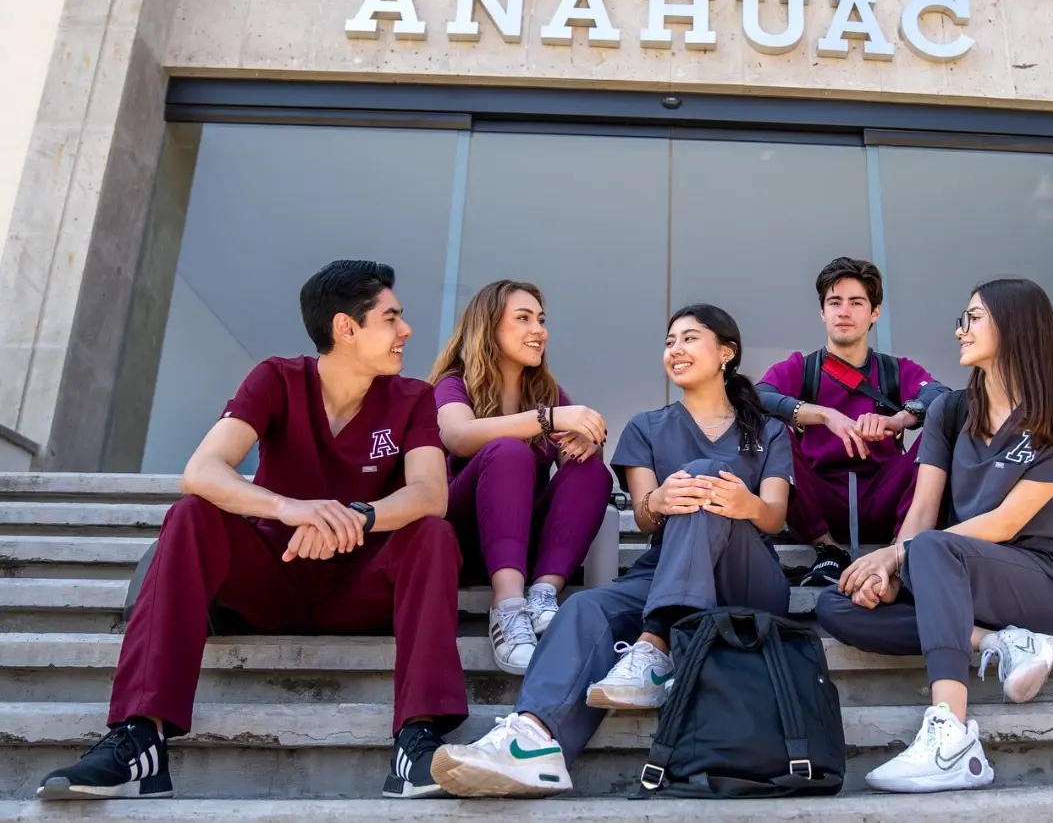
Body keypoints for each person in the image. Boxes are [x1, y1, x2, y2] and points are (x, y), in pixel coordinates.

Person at [36, 261, 468, 801]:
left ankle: (417, 741)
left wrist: (355, 516)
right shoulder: (277, 379)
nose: (406, 331)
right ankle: (139, 739)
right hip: (276, 578)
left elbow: (431, 492)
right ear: (346, 328)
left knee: (433, 534)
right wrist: (292, 509)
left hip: (364, 586)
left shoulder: (411, 398)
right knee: (191, 513)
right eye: (392, 318)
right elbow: (203, 470)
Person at [428, 304, 794, 798]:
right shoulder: (646, 427)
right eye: (669, 342)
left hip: (748, 575)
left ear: (726, 353)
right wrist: (660, 500)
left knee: (703, 473)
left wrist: (745, 503)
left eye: (689, 339)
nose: (676, 350)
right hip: (667, 567)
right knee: (583, 606)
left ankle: (654, 644)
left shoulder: (766, 430)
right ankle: (534, 741)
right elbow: (644, 516)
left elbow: (774, 515)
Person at [816, 277, 1053, 794]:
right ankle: (999, 643)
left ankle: (951, 736)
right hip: (951, 576)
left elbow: (1006, 523)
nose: (959, 330)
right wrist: (892, 567)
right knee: (837, 605)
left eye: (972, 318)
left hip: (1035, 576)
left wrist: (900, 557)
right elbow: (922, 511)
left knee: (930, 548)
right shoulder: (950, 411)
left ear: (1013, 327)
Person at [429, 280, 613, 675]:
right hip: (467, 539)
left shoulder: (546, 390)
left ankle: (544, 595)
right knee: (509, 450)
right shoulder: (454, 384)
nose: (539, 330)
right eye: (524, 318)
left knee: (591, 468)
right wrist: (545, 420)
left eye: (541, 320)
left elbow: (577, 478)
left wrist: (583, 441)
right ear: (489, 326)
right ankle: (508, 609)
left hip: (527, 544)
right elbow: (458, 437)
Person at [757, 257, 948, 585]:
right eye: (835, 302)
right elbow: (758, 397)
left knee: (941, 432)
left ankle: (896, 555)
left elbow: (942, 398)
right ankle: (828, 551)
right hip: (818, 503)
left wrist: (898, 420)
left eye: (856, 302)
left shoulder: (895, 370)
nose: (844, 311)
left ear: (874, 313)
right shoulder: (802, 370)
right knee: (772, 431)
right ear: (822, 313)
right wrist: (824, 414)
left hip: (886, 497)